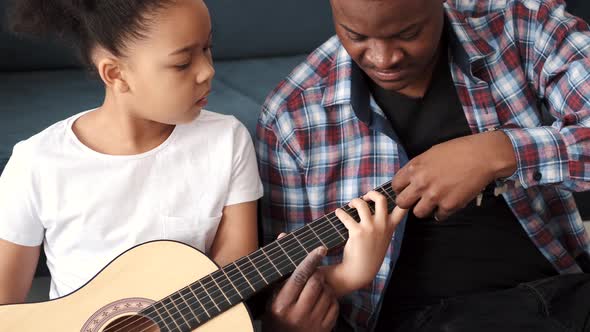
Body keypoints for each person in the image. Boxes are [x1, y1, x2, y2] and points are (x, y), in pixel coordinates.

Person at [256, 0, 590, 331]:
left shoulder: (524, 24)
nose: (383, 58)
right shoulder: (290, 119)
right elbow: (291, 286)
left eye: (408, 33)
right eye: (356, 35)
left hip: (562, 295)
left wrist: (499, 152)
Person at [0, 0, 264, 304]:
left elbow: (233, 284)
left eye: (207, 48)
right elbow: (6, 308)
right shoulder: (37, 163)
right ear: (115, 74)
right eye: (182, 63)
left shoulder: (227, 141)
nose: (207, 71)